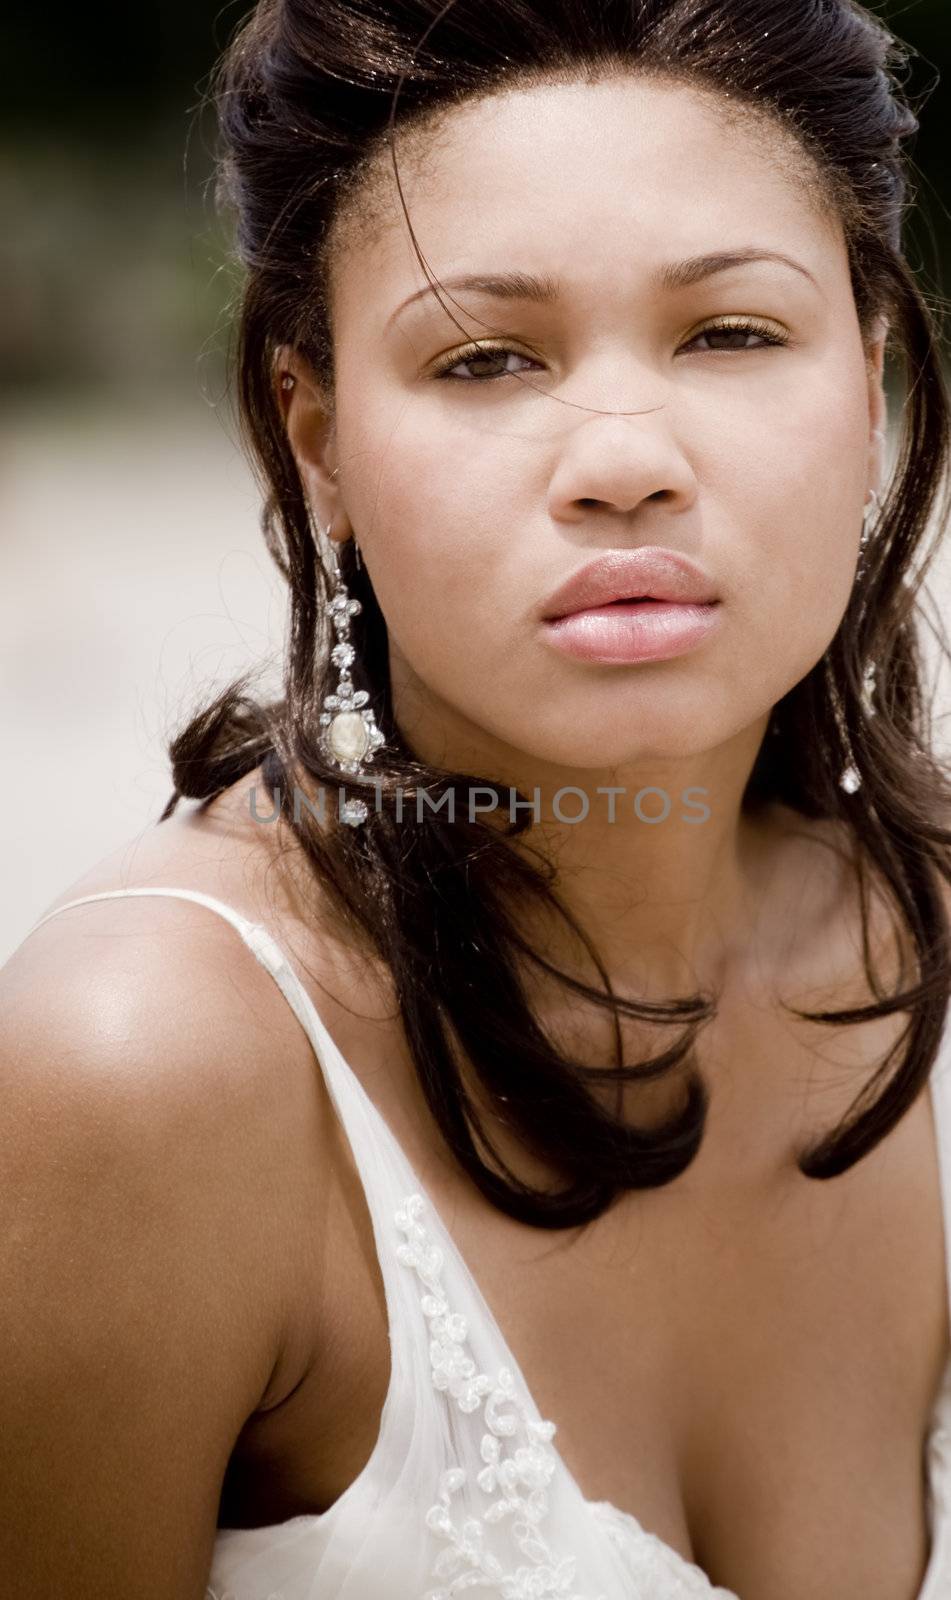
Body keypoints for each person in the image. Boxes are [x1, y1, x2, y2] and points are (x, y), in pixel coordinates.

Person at [3, 0, 951, 1595]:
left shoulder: (922, 939)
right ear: (320, 446)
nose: (626, 457)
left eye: (730, 334)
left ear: (866, 385)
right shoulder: (145, 1074)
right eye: (485, 356)